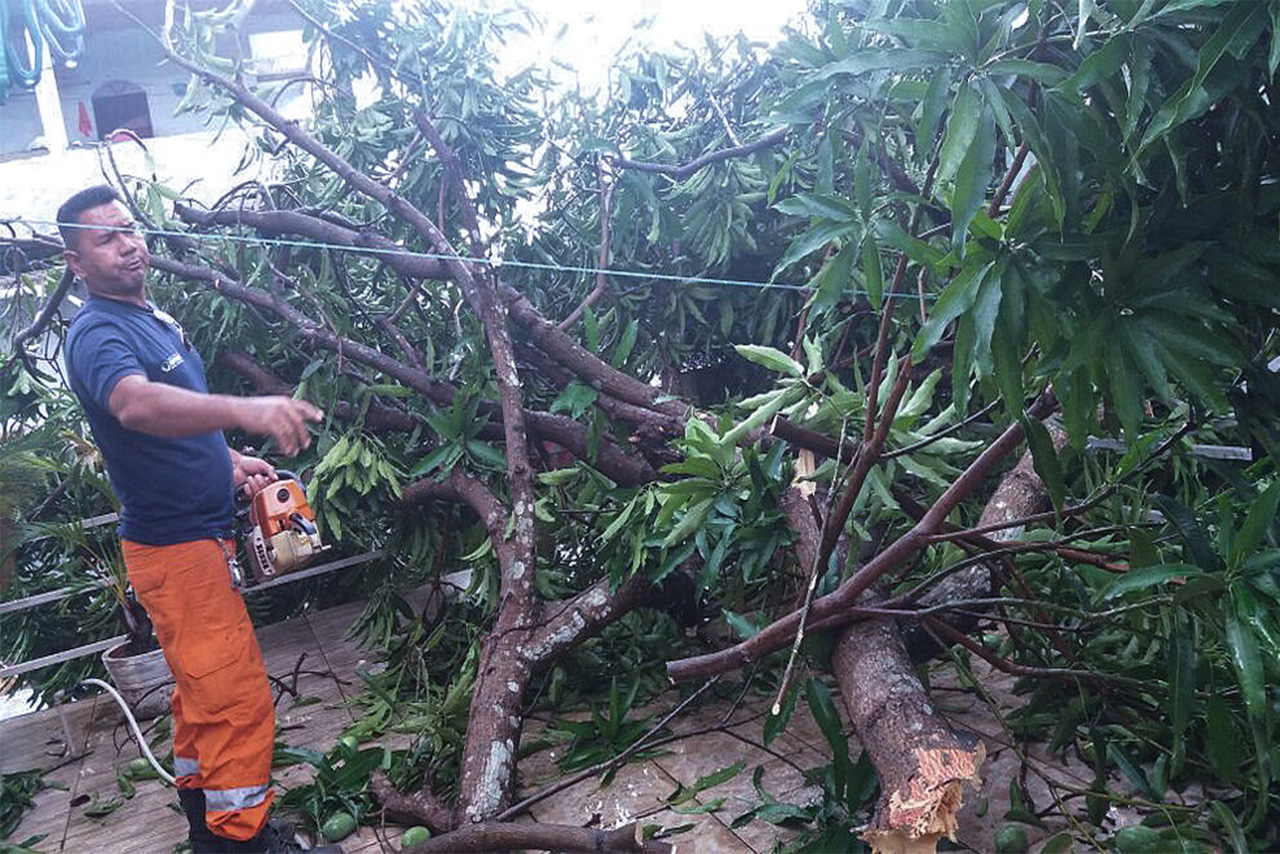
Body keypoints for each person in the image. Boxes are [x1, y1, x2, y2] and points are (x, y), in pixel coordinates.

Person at [59, 185, 340, 854]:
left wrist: (231, 460)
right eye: (106, 238)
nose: (128, 244)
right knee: (235, 702)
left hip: (196, 543)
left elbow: (178, 424)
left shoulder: (150, 319)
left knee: (200, 700)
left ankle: (208, 831)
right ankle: (246, 842)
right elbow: (136, 407)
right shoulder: (96, 331)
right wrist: (244, 410)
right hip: (176, 550)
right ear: (77, 261)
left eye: (129, 230)